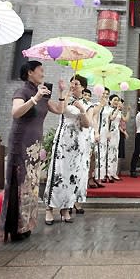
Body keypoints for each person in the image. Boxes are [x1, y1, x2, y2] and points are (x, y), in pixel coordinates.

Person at [0, 61, 66, 242]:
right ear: (30, 72)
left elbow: (60, 110)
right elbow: (16, 112)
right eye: (40, 70)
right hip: (21, 143)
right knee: (20, 184)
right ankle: (15, 227)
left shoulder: (43, 92)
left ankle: (26, 224)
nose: (43, 74)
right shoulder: (23, 92)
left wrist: (60, 92)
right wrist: (34, 99)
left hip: (35, 145)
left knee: (32, 185)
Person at [44, 74, 94, 224]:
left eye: (76, 84)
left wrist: (82, 110)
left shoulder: (88, 104)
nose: (73, 86)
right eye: (71, 83)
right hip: (63, 141)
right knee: (57, 172)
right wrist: (61, 93)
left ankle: (65, 209)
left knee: (72, 176)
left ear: (83, 87)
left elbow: (87, 124)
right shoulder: (66, 98)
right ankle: (49, 209)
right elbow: (59, 110)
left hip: (78, 144)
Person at [107, 94, 130, 181]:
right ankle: (107, 173)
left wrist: (127, 111)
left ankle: (114, 173)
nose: (116, 102)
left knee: (115, 153)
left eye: (117, 100)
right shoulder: (108, 110)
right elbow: (111, 119)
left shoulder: (119, 111)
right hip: (110, 132)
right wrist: (117, 109)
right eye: (115, 100)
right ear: (110, 101)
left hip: (116, 133)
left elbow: (124, 120)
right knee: (109, 153)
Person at [92, 88, 112, 183]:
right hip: (98, 131)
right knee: (97, 153)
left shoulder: (108, 108)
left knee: (103, 154)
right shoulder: (96, 105)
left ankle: (102, 175)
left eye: (107, 94)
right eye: (103, 93)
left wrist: (108, 132)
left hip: (105, 131)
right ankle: (95, 176)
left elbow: (108, 120)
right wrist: (96, 132)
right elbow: (94, 117)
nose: (105, 95)